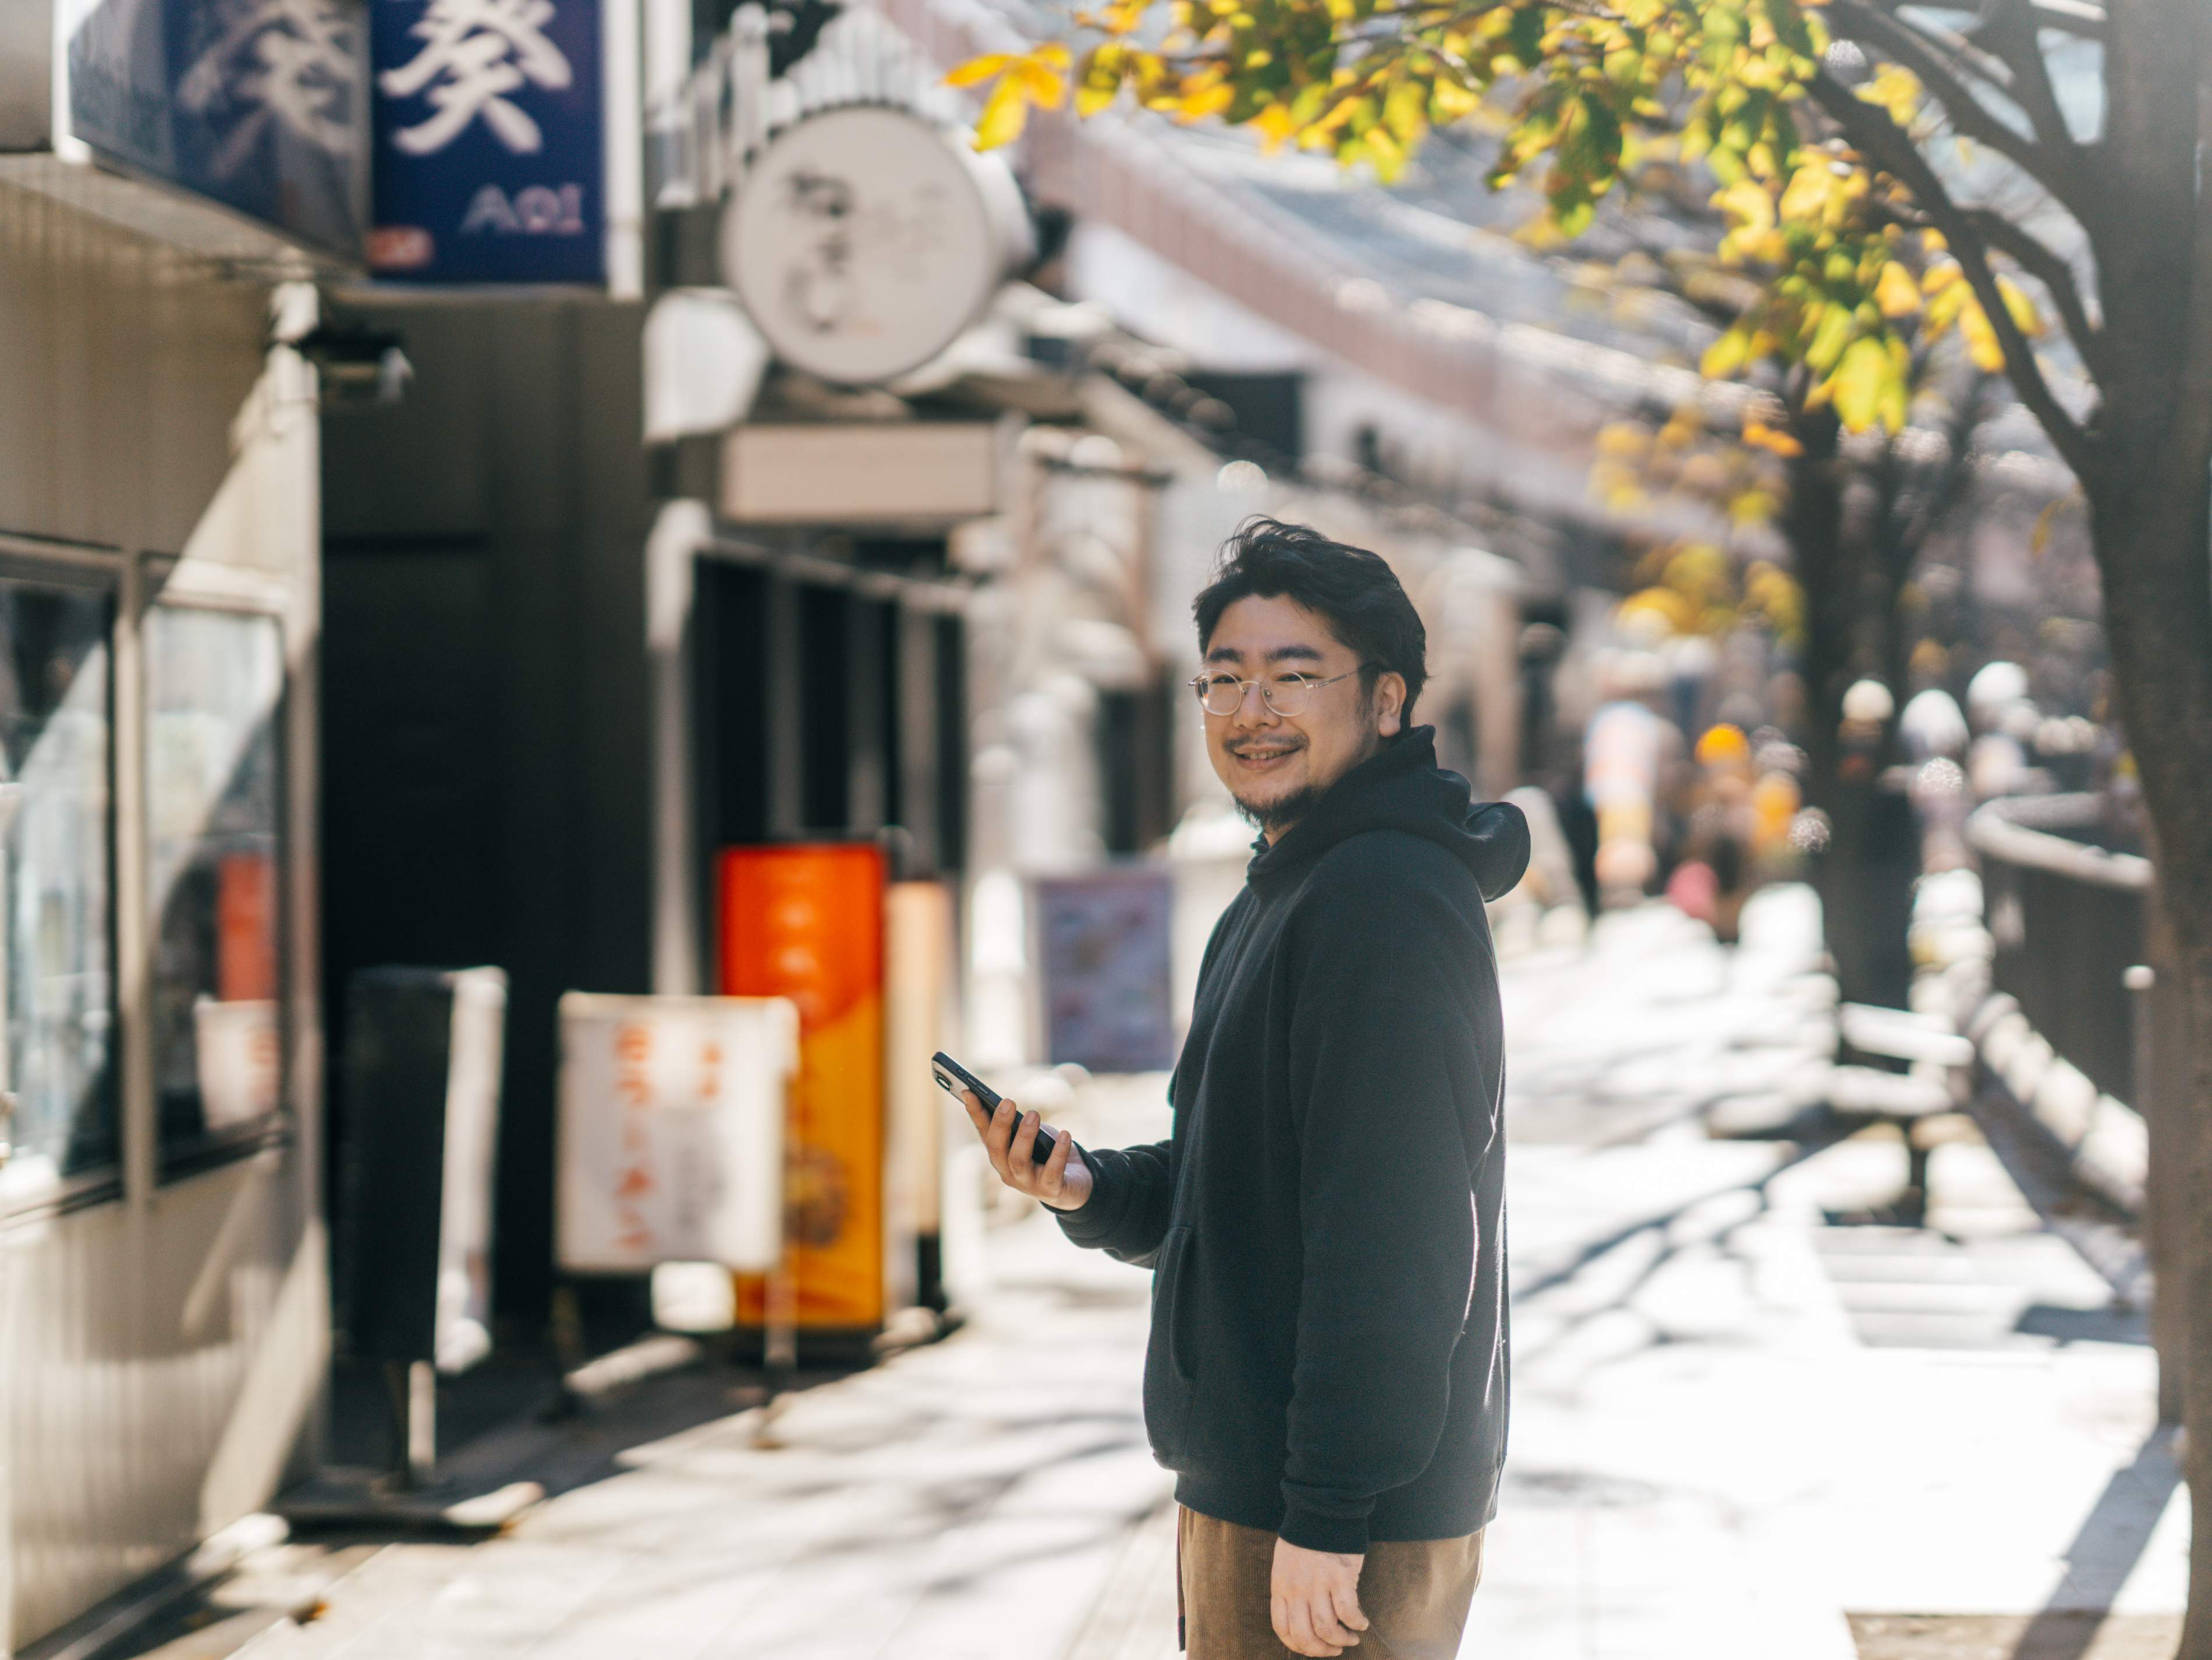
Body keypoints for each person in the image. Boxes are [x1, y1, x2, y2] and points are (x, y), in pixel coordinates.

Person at [956, 520, 1528, 1659]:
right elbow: (1231, 1180)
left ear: (1384, 703)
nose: (1249, 708)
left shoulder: (1381, 898)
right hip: (1268, 1487)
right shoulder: (1283, 886)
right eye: (1224, 678)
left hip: (1330, 1512)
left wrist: (1327, 1509)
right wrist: (1086, 1187)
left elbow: (1394, 1229)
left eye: (1292, 675)